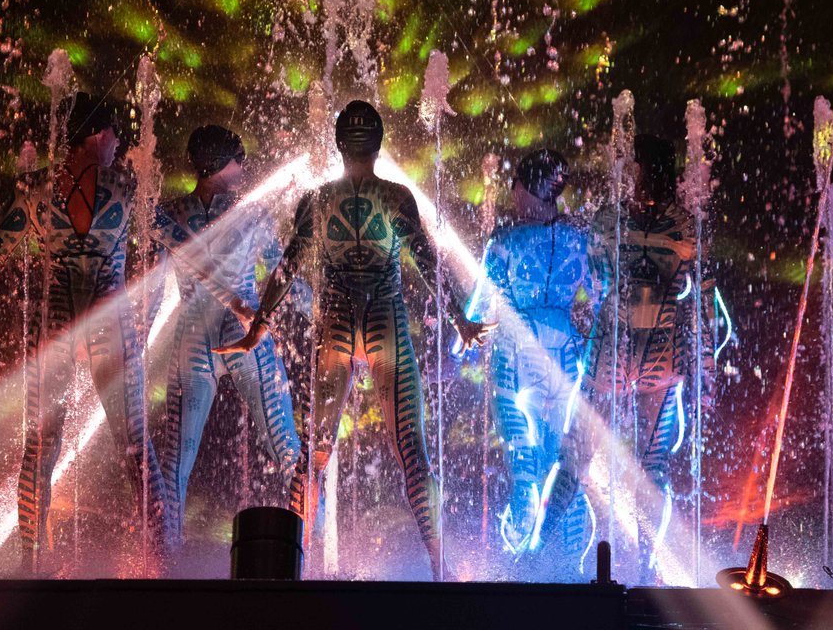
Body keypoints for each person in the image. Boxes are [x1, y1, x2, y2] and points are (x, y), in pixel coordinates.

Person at [215, 100, 494, 581]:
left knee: (314, 453)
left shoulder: (319, 199)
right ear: (379, 145)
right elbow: (427, 264)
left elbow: (287, 268)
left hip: (338, 324)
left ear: (338, 144)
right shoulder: (396, 197)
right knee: (412, 451)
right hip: (385, 320)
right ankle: (441, 569)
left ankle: (292, 573)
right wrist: (459, 322)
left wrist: (259, 325)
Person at [0, 92, 167, 572]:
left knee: (41, 447)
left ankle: (30, 567)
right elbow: (173, 240)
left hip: (54, 326)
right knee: (135, 446)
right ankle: (162, 560)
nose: (116, 147)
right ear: (103, 134)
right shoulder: (127, 185)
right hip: (108, 325)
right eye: (114, 137)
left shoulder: (33, 191)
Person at [147, 125, 302, 545]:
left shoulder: (167, 214)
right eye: (237, 158)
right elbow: (283, 273)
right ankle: (307, 548)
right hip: (245, 328)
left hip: (193, 333)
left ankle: (166, 561)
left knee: (175, 459)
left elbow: (150, 286)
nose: (243, 166)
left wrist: (136, 338)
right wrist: (318, 311)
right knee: (285, 443)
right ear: (218, 166)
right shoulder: (251, 213)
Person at [590, 134, 715, 584]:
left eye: (634, 165)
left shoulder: (676, 224)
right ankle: (554, 554)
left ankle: (646, 564)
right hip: (633, 353)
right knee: (578, 451)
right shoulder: (668, 223)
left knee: (652, 464)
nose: (630, 173)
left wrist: (704, 363)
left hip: (653, 357)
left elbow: (702, 294)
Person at [470, 149, 605, 563]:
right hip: (566, 354)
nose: (511, 193)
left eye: (517, 185)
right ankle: (567, 564)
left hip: (516, 353)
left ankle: (520, 560)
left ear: (529, 189)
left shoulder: (506, 242)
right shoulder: (580, 241)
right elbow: (602, 298)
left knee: (524, 465)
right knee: (562, 463)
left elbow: (476, 308)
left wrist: (454, 351)